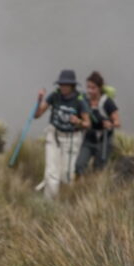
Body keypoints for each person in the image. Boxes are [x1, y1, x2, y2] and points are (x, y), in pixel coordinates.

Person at [33, 69, 89, 198]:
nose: (63, 87)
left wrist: (78, 121)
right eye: (61, 84)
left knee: (66, 173)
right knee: (52, 172)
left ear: (72, 86)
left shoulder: (79, 100)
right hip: (54, 136)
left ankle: (65, 199)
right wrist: (39, 100)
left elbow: (87, 123)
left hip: (71, 138)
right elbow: (37, 115)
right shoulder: (54, 96)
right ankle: (49, 203)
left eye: (66, 84)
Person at [75, 71, 120, 175]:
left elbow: (117, 122)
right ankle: (82, 185)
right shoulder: (84, 101)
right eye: (88, 87)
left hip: (104, 140)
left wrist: (110, 124)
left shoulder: (107, 102)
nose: (90, 90)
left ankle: (94, 187)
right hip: (89, 138)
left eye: (93, 87)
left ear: (100, 88)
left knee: (99, 169)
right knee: (79, 165)